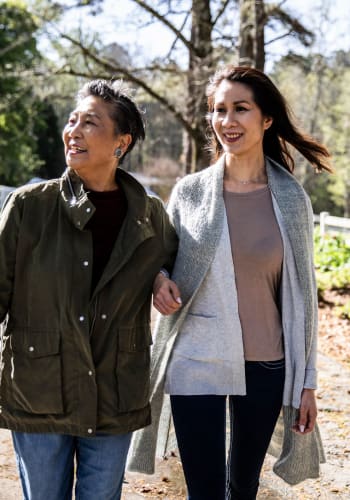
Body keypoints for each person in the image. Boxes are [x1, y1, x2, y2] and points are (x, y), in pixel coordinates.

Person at [128, 65, 332, 499]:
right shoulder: (190, 192)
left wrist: (307, 383)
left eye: (241, 109)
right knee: (203, 490)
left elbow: (303, 298)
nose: (227, 121)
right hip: (197, 358)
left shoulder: (291, 198)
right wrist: (158, 280)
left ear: (267, 118)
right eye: (219, 110)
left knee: (243, 486)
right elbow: (158, 259)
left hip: (266, 363)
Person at [0, 79, 178, 500]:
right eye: (72, 120)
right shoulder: (29, 205)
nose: (73, 131)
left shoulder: (148, 213)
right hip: (40, 386)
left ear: (121, 142)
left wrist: (160, 277)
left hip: (115, 388)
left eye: (90, 122)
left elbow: (171, 258)